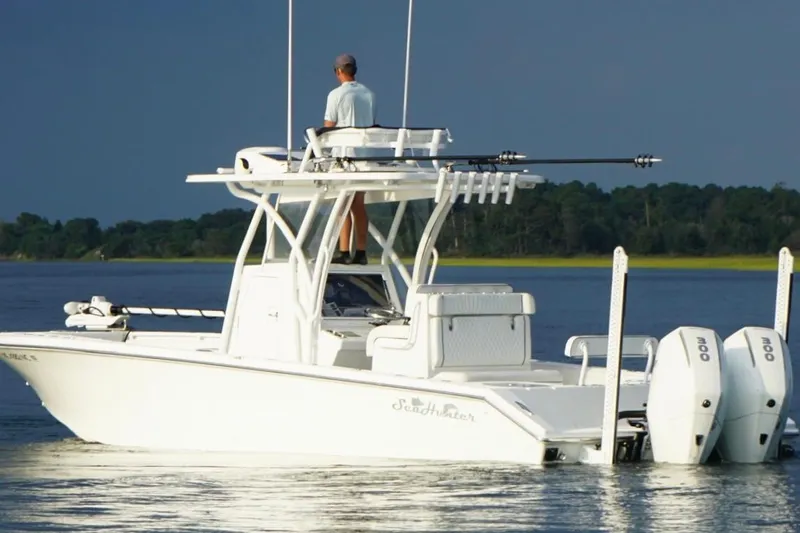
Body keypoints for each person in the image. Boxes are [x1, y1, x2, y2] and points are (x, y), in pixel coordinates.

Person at [324, 53, 376, 265]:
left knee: (342, 204)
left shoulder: (335, 95)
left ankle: (344, 251)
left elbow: (328, 127)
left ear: (338, 71)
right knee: (358, 205)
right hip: (364, 157)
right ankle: (361, 252)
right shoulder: (369, 94)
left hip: (344, 157)